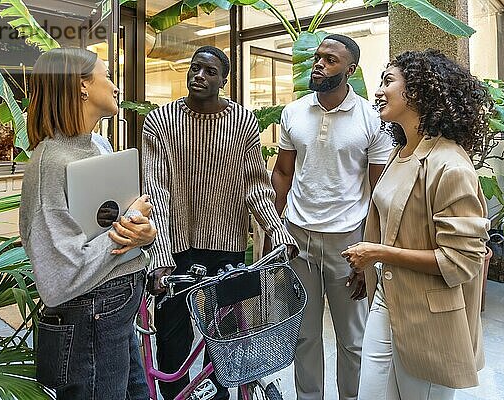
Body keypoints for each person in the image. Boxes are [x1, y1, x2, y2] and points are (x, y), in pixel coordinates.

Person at [142, 45, 298, 400]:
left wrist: (277, 230)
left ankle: (223, 394)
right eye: (195, 68)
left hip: (227, 246)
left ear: (223, 81)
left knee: (228, 337)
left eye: (210, 72)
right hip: (176, 250)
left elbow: (256, 187)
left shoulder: (243, 122)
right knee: (172, 337)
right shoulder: (160, 122)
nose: (199, 75)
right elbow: (157, 189)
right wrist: (161, 257)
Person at [342, 49, 491, 400]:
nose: (379, 90)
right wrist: (368, 268)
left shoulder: (449, 165)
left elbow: (463, 261)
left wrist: (378, 253)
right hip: (386, 299)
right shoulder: (401, 152)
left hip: (430, 316)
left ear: (420, 92)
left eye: (388, 81)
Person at [19, 48, 156, 400]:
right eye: (107, 75)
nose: (115, 86)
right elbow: (60, 272)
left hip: (114, 310)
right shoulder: (50, 162)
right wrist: (128, 225)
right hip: (90, 314)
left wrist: (143, 233)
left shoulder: (98, 144)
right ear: (82, 86)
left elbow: (115, 226)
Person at [271, 34, 393, 400]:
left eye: (330, 59)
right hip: (297, 238)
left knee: (352, 339)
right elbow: (282, 173)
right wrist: (274, 229)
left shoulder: (373, 120)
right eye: (318, 57)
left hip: (348, 242)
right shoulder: (293, 112)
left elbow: (378, 190)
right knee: (304, 335)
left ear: (350, 70)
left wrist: (369, 250)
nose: (319, 63)